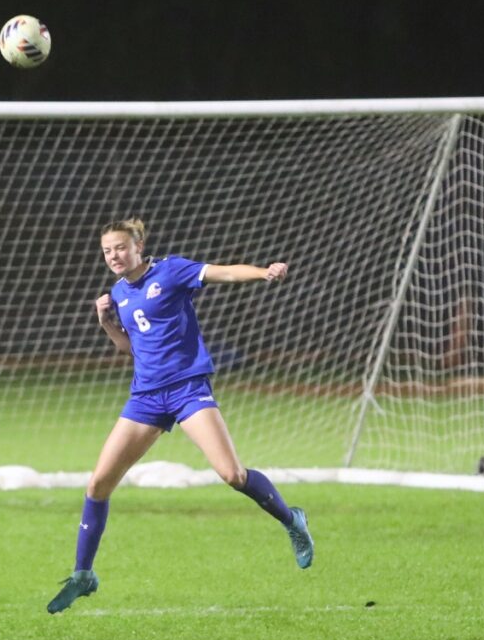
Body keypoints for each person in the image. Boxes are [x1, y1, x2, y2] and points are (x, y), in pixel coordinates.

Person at [47, 218, 314, 615]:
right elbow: (133, 349)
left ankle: (291, 519)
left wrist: (263, 272)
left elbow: (222, 272)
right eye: (107, 251)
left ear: (139, 245)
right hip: (146, 397)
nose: (113, 256)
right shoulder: (119, 293)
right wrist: (105, 323)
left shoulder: (170, 271)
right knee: (98, 484)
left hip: (188, 389)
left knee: (232, 475)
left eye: (120, 247)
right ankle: (83, 575)